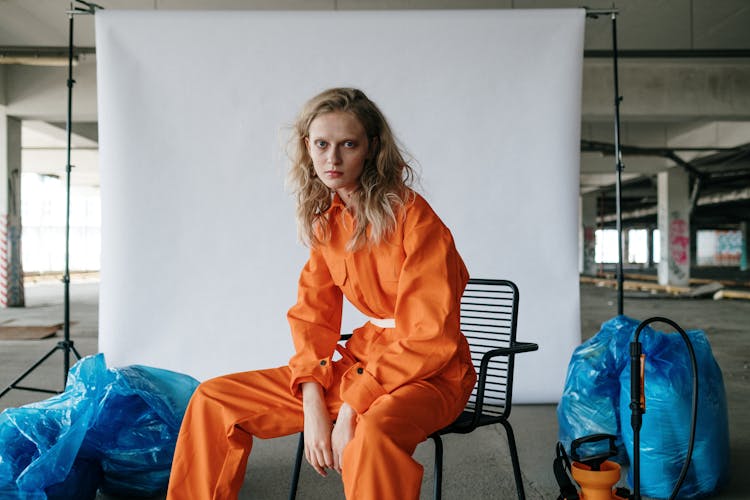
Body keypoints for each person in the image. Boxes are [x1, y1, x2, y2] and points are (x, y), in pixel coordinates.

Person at [166, 87, 476, 500]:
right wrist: (312, 402)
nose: (333, 158)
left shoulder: (415, 220)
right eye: (322, 145)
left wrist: (351, 407)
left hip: (431, 375)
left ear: (371, 148)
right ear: (307, 149)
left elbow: (428, 338)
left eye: (348, 144)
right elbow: (312, 318)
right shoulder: (327, 224)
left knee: (372, 431)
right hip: (364, 363)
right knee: (214, 399)